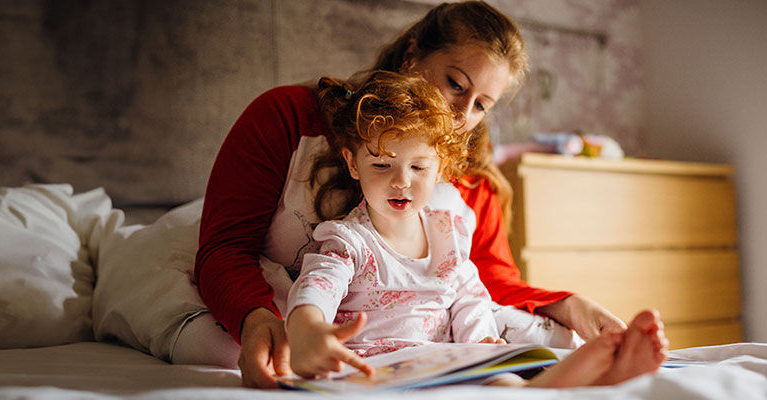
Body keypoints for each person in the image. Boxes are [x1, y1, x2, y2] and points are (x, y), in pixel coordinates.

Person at [190, 1, 626, 388]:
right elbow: (226, 246)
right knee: (211, 344)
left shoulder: (467, 184)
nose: (461, 115)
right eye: (456, 84)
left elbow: (483, 278)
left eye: (481, 105)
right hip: (312, 315)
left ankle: (566, 375)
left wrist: (568, 306)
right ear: (413, 55)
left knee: (522, 330)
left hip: (430, 326)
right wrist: (257, 320)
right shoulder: (287, 117)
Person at [281, 70, 666, 388]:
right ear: (352, 164)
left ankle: (594, 382)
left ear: (440, 168)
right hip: (379, 367)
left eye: (418, 168)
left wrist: (481, 342)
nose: (401, 182)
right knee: (498, 390)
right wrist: (308, 330)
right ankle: (571, 384)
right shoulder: (349, 241)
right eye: (382, 166)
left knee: (500, 381)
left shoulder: (447, 231)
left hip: (448, 360)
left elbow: (468, 297)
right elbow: (317, 286)